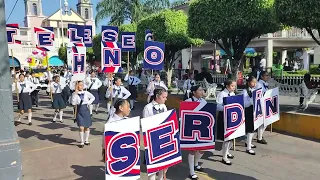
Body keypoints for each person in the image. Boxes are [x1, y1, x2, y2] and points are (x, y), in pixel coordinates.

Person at [142, 88, 168, 180]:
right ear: (157, 96)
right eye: (164, 97)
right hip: (152, 139)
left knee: (163, 164)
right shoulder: (148, 108)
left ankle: (160, 178)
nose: (165, 99)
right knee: (153, 166)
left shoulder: (164, 107)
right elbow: (145, 124)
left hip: (163, 138)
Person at [185, 85, 206, 179]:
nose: (202, 92)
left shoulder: (204, 102)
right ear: (194, 92)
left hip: (202, 128)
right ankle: (191, 171)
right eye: (200, 90)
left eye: (202, 90)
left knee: (202, 148)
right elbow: (183, 117)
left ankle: (196, 163)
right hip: (191, 129)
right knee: (192, 150)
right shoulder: (187, 102)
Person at [216, 79, 236, 165]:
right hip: (223, 117)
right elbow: (218, 107)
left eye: (234, 86)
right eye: (232, 86)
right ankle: (224, 157)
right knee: (226, 138)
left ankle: (227, 151)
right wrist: (227, 106)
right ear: (227, 86)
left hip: (231, 117)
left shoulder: (233, 94)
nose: (234, 88)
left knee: (231, 137)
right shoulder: (221, 94)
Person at [71, 81, 95, 148]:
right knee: (81, 127)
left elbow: (93, 97)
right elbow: (73, 103)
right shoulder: (74, 94)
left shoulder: (86, 93)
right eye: (80, 85)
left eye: (82, 85)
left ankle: (86, 140)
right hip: (79, 111)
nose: (81, 86)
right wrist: (75, 94)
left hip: (86, 110)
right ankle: (82, 141)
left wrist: (88, 102)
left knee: (87, 127)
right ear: (77, 86)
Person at [242, 76, 258, 155]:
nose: (255, 84)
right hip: (248, 111)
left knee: (254, 128)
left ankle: (248, 142)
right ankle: (248, 148)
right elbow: (244, 103)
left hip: (254, 111)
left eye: (256, 82)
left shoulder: (255, 90)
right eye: (253, 82)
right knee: (250, 129)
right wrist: (251, 101)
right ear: (248, 83)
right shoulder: (245, 91)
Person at [255, 71, 270, 144]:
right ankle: (259, 137)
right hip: (261, 105)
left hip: (265, 104)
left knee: (266, 121)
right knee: (263, 122)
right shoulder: (259, 84)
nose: (268, 77)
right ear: (261, 76)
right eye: (266, 75)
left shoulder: (265, 84)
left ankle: (259, 135)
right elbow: (258, 95)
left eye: (268, 75)